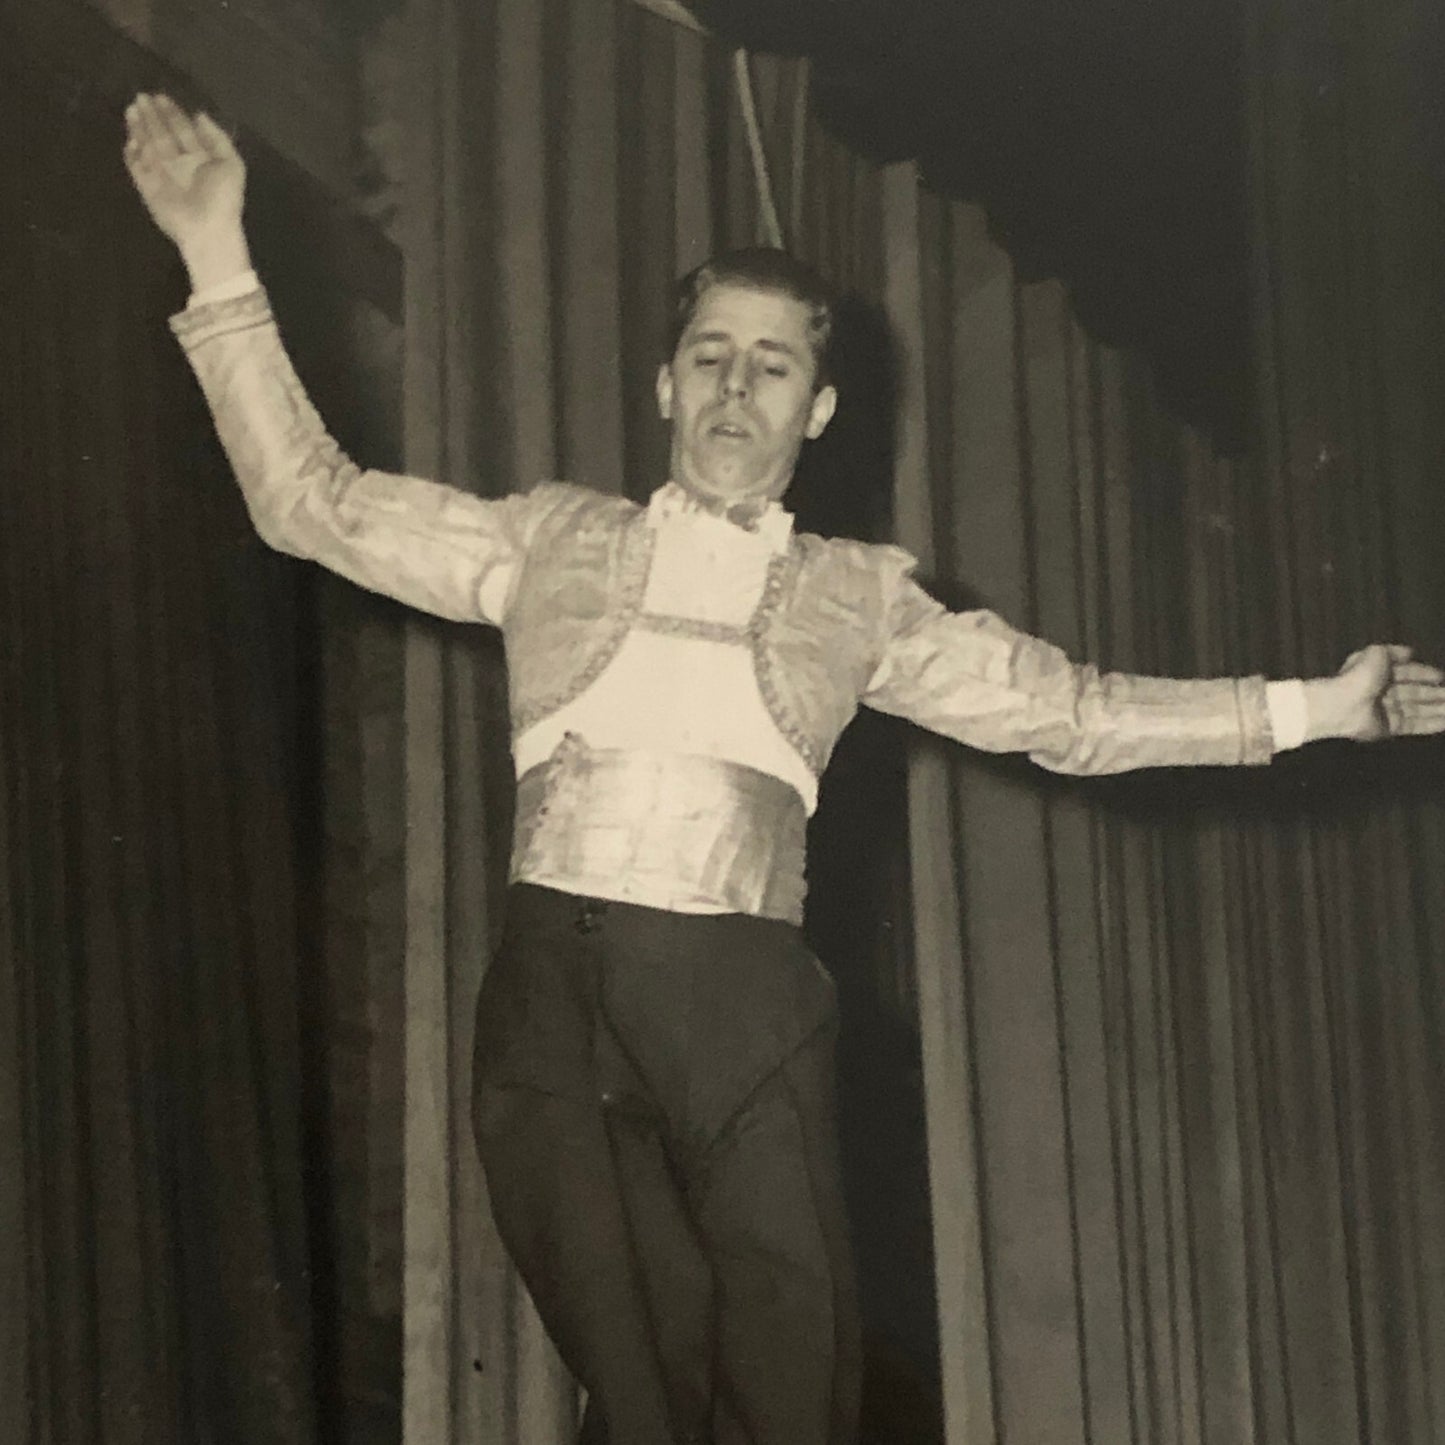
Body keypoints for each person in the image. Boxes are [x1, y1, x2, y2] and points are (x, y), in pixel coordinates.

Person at [123, 92, 1445, 1445]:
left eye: (767, 365)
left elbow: (1073, 711)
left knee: (787, 1386)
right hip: (546, 1001)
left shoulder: (859, 596)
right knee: (638, 1401)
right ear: (663, 385)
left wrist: (1305, 709)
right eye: (707, 357)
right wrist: (215, 250)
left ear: (815, 408)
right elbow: (314, 505)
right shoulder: (547, 540)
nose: (732, 389)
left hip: (738, 1003)